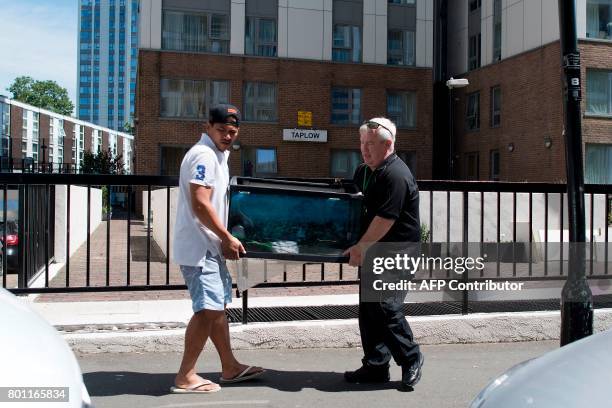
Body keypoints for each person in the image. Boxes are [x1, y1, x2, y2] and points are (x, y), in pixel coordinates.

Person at [171, 104, 264, 394]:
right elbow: (199, 201)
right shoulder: (204, 155)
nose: (227, 136)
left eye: (232, 132)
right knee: (207, 310)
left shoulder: (218, 156)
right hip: (199, 249)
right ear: (208, 126)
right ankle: (185, 376)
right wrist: (225, 237)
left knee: (217, 308)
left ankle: (230, 366)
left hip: (207, 247)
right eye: (222, 130)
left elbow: (213, 201)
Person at [343, 117, 424, 391]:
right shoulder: (364, 172)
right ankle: (376, 366)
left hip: (397, 251)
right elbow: (353, 207)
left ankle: (411, 358)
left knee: (386, 307)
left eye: (371, 145)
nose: (364, 150)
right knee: (369, 310)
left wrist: (361, 247)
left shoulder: (396, 174)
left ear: (388, 144)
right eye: (362, 143)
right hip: (375, 251)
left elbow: (385, 219)